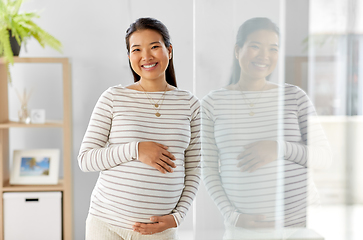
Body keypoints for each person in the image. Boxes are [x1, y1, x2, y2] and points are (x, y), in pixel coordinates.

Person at [201, 17, 332, 239]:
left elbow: (324, 158)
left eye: (273, 48)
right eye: (255, 46)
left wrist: (279, 148)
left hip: (299, 227)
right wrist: (233, 216)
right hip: (244, 229)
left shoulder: (294, 96)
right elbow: (209, 171)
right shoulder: (212, 103)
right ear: (237, 50)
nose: (264, 56)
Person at [78, 17, 201, 240]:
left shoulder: (190, 104)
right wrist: (136, 149)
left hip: (158, 230)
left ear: (169, 50)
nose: (146, 56)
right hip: (106, 224)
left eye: (155, 46)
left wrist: (178, 216)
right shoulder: (113, 98)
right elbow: (86, 159)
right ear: (129, 57)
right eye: (137, 49)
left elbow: (194, 168)